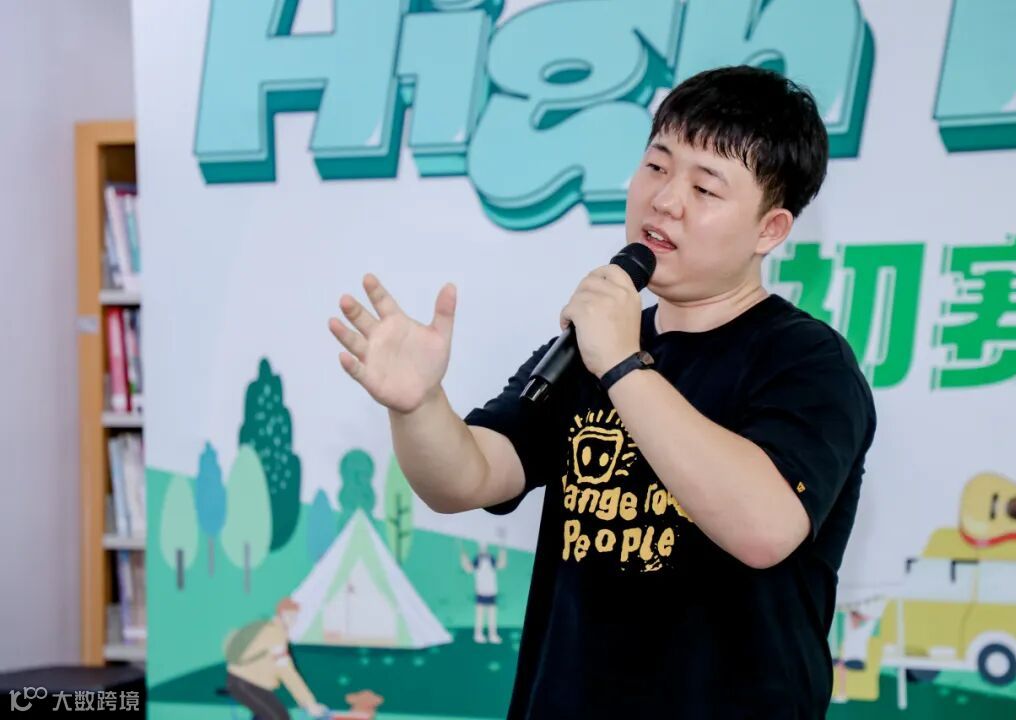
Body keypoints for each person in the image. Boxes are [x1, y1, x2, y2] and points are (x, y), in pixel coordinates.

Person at [329, 65, 876, 719]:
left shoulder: (808, 362)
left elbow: (765, 529)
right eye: (657, 166)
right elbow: (468, 477)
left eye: (705, 187)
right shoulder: (592, 346)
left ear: (770, 229)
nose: (665, 200)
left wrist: (620, 363)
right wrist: (418, 404)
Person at [224, 597, 328, 719]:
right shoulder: (276, 634)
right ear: (281, 614)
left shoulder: (268, 628)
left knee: (267, 715)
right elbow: (286, 671)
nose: (293, 621)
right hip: (247, 684)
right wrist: (310, 704)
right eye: (291, 616)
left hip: (244, 682)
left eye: (295, 617)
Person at [460, 538, 508, 643]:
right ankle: (478, 634)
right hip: (480, 591)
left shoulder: (491, 558)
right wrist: (463, 557)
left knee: (492, 615)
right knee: (480, 615)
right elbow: (469, 569)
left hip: (491, 591)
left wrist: (502, 550)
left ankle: (492, 635)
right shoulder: (477, 559)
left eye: (485, 545)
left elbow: (501, 565)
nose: (483, 547)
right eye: (481, 545)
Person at [832, 609, 876, 703]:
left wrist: (861, 617)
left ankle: (842, 693)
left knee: (840, 665)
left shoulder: (862, 631)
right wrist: (859, 616)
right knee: (838, 664)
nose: (853, 621)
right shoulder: (851, 630)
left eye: (855, 619)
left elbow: (872, 620)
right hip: (852, 661)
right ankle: (842, 693)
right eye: (853, 619)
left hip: (854, 662)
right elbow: (849, 615)